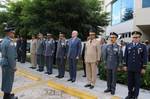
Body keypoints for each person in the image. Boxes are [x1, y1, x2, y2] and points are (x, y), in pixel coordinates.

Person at [124, 31, 147, 99]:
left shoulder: (143, 46)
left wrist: (144, 68)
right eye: (134, 37)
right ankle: (130, 94)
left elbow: (145, 57)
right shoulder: (128, 45)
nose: (135, 38)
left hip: (138, 68)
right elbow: (126, 56)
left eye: (137, 37)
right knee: (130, 82)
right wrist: (125, 65)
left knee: (137, 83)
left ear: (139, 38)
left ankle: (135, 96)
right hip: (130, 67)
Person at [0, 27, 18, 99]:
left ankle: (7, 94)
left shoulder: (4, 40)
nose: (14, 34)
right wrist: (14, 66)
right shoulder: (10, 42)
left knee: (5, 79)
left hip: (4, 62)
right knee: (9, 80)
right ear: (9, 33)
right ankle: (7, 97)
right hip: (8, 64)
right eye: (13, 33)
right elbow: (11, 56)